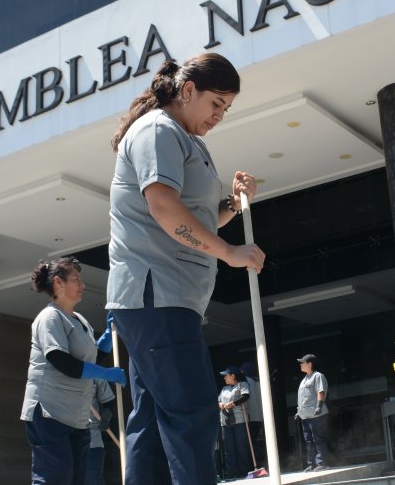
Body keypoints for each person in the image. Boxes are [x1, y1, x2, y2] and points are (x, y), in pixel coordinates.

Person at [106, 53, 264, 485]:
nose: (219, 116)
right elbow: (164, 209)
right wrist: (230, 253)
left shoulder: (186, 139)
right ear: (188, 90)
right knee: (192, 411)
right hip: (157, 296)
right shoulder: (158, 129)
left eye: (226, 109)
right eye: (216, 103)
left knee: (155, 421)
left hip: (160, 301)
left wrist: (232, 203)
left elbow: (198, 218)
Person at [21, 257, 126, 484]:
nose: (83, 285)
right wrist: (106, 373)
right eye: (76, 279)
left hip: (76, 417)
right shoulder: (49, 317)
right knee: (54, 477)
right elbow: (62, 361)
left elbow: (91, 358)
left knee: (77, 479)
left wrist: (107, 338)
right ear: (59, 283)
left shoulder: (80, 320)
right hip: (49, 412)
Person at [217, 365, 253, 479]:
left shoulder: (242, 384)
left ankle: (244, 472)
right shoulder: (224, 389)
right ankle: (231, 473)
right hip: (225, 421)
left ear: (232, 375)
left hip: (240, 421)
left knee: (241, 447)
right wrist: (221, 405)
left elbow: (245, 396)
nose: (224, 378)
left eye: (226, 376)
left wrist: (232, 404)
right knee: (229, 449)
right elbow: (218, 401)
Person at [295, 354, 330, 472]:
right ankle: (312, 463)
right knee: (309, 441)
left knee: (318, 438)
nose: (300, 364)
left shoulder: (317, 376)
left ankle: (322, 462)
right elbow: (304, 398)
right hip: (305, 416)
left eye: (302, 362)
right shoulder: (305, 379)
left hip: (316, 414)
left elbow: (321, 391)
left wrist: (319, 406)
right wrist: (298, 411)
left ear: (310, 364)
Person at [85, 378, 117, 485]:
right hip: (64, 439)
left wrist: (107, 413)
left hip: (92, 440)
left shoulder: (95, 371)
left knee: (93, 479)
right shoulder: (56, 368)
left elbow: (109, 400)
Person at [239, 360, 266, 465]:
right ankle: (259, 461)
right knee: (253, 441)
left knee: (248, 443)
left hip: (250, 417)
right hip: (259, 416)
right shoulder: (258, 382)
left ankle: (255, 463)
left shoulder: (245, 382)